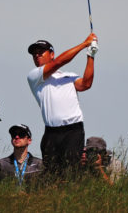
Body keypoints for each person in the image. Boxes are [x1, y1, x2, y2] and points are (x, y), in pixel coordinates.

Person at [27, 33, 99, 175]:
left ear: (52, 54)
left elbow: (86, 84)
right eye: (34, 54)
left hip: (73, 130)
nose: (37, 55)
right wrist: (84, 44)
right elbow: (59, 62)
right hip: (51, 133)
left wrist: (91, 55)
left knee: (71, 172)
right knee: (52, 174)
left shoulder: (69, 76)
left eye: (41, 52)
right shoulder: (34, 76)